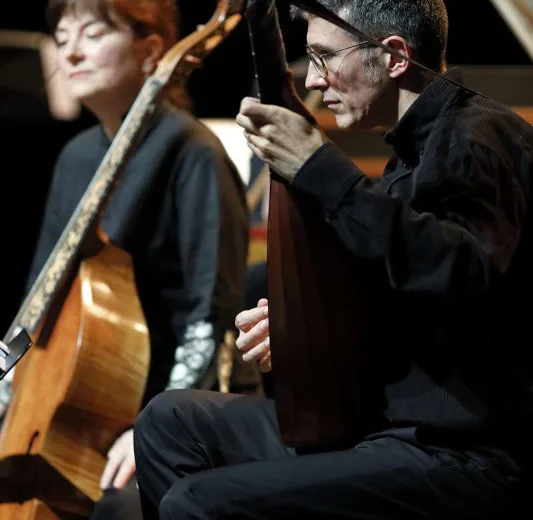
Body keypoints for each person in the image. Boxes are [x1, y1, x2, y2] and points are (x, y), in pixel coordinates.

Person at [133, 0, 533, 518]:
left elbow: (462, 274)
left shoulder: (476, 137)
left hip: (459, 454)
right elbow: (405, 290)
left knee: (196, 503)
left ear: (393, 57)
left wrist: (319, 167)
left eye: (323, 58)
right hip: (387, 429)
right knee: (171, 423)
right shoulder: (409, 155)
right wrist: (308, 329)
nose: (315, 81)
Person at [0, 0, 249, 519]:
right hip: (72, 411)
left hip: (153, 407)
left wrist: (154, 430)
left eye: (91, 32)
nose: (70, 48)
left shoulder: (193, 152)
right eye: (63, 34)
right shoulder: (75, 157)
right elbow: (35, 303)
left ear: (151, 50)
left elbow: (212, 317)